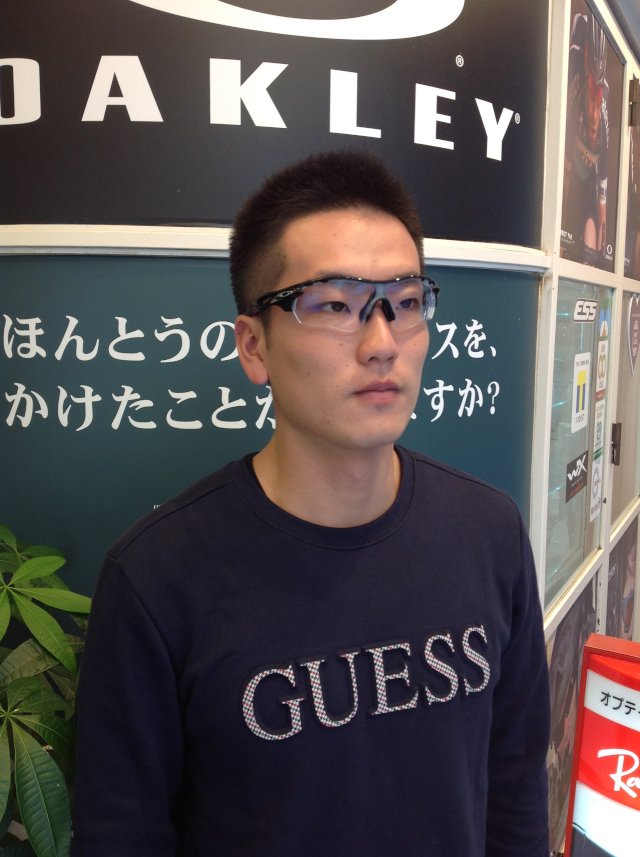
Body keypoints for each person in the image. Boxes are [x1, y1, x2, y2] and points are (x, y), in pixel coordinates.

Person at [71, 150, 550, 856]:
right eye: (333, 305)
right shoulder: (157, 579)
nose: (382, 343)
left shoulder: (489, 531)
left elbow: (514, 788)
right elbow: (123, 835)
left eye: (406, 302)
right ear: (254, 346)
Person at [561, 10, 610, 269]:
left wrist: (600, 248)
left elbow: (602, 202)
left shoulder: (603, 134)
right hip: (572, 166)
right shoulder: (576, 109)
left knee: (592, 245)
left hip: (588, 178)